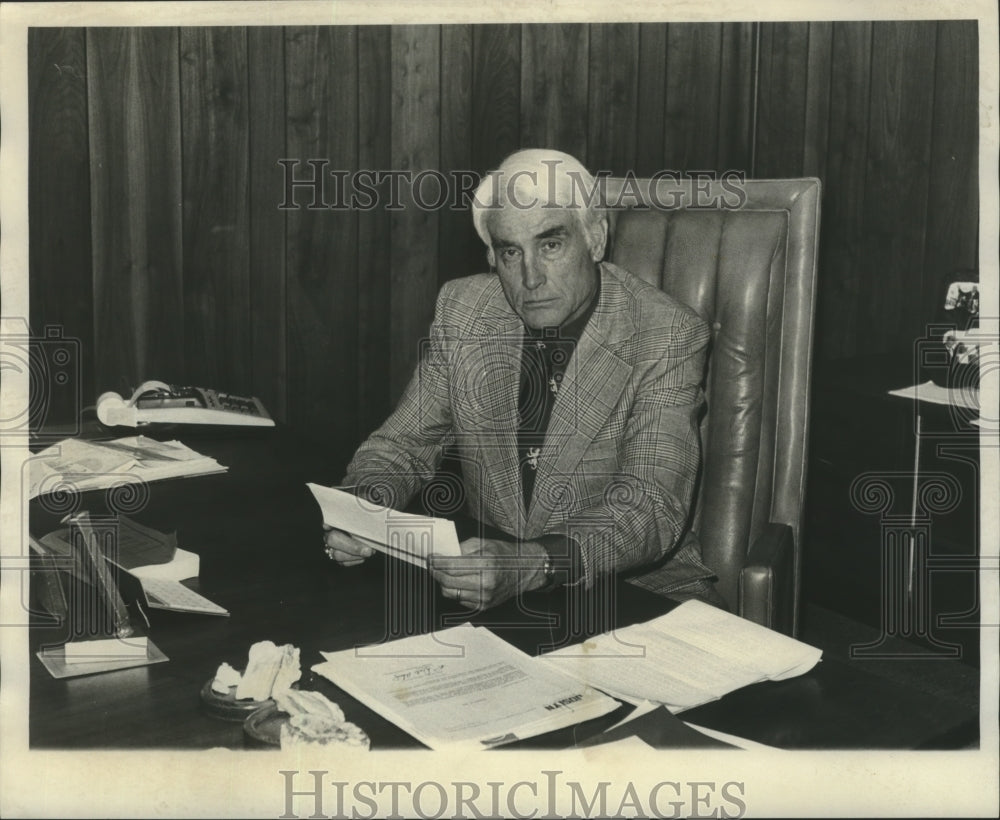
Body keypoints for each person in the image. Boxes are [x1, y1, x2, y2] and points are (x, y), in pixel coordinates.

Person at [324, 149, 720, 609]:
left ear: (595, 238)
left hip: (636, 597)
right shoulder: (466, 310)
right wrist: (361, 508)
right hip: (498, 596)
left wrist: (532, 564)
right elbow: (404, 445)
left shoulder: (665, 333)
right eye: (511, 252)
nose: (530, 278)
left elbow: (650, 505)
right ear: (491, 256)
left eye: (551, 245)